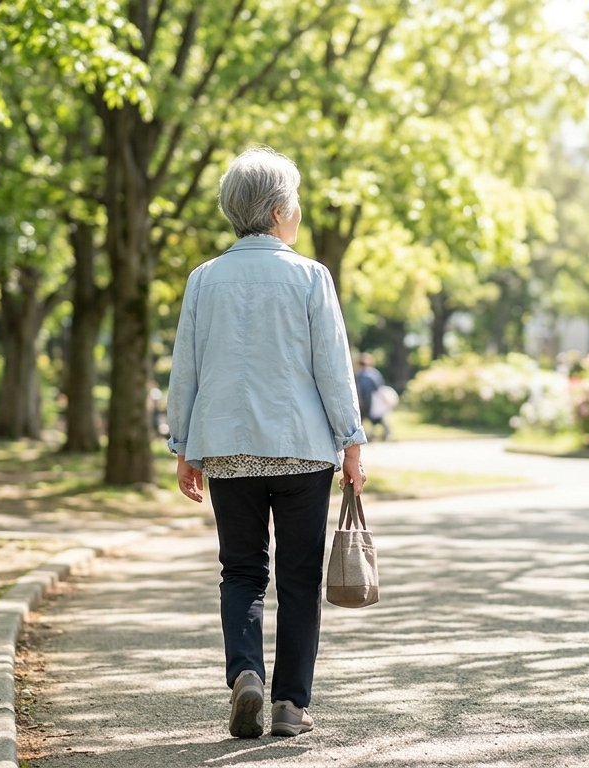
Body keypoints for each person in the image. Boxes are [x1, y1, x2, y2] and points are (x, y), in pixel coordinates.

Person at [166, 147, 367, 740]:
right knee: (299, 578)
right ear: (280, 210)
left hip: (228, 447)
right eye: (296, 203)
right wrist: (351, 439)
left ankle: (246, 674)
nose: (299, 213)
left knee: (242, 571)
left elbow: (187, 370)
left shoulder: (203, 280)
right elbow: (333, 366)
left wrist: (184, 447)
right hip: (302, 448)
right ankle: (289, 706)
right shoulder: (310, 277)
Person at [355, 353, 391, 441]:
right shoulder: (374, 373)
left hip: (363, 400)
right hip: (372, 400)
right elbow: (380, 388)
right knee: (377, 418)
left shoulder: (358, 375)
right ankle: (384, 433)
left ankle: (366, 435)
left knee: (361, 419)